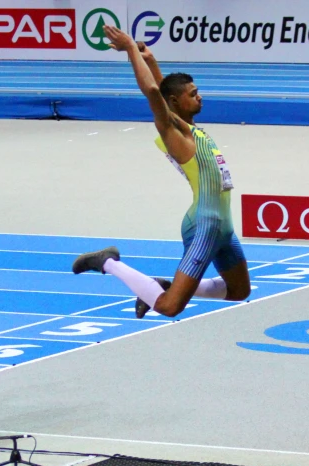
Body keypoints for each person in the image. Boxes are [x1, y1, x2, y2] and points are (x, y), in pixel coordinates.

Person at [72, 27, 251, 318]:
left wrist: (152, 61)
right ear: (177, 103)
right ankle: (108, 262)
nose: (200, 97)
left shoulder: (191, 129)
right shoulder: (173, 134)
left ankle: (162, 284)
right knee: (168, 306)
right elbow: (155, 92)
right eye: (194, 94)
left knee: (240, 290)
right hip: (204, 226)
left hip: (223, 226)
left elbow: (164, 90)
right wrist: (131, 49)